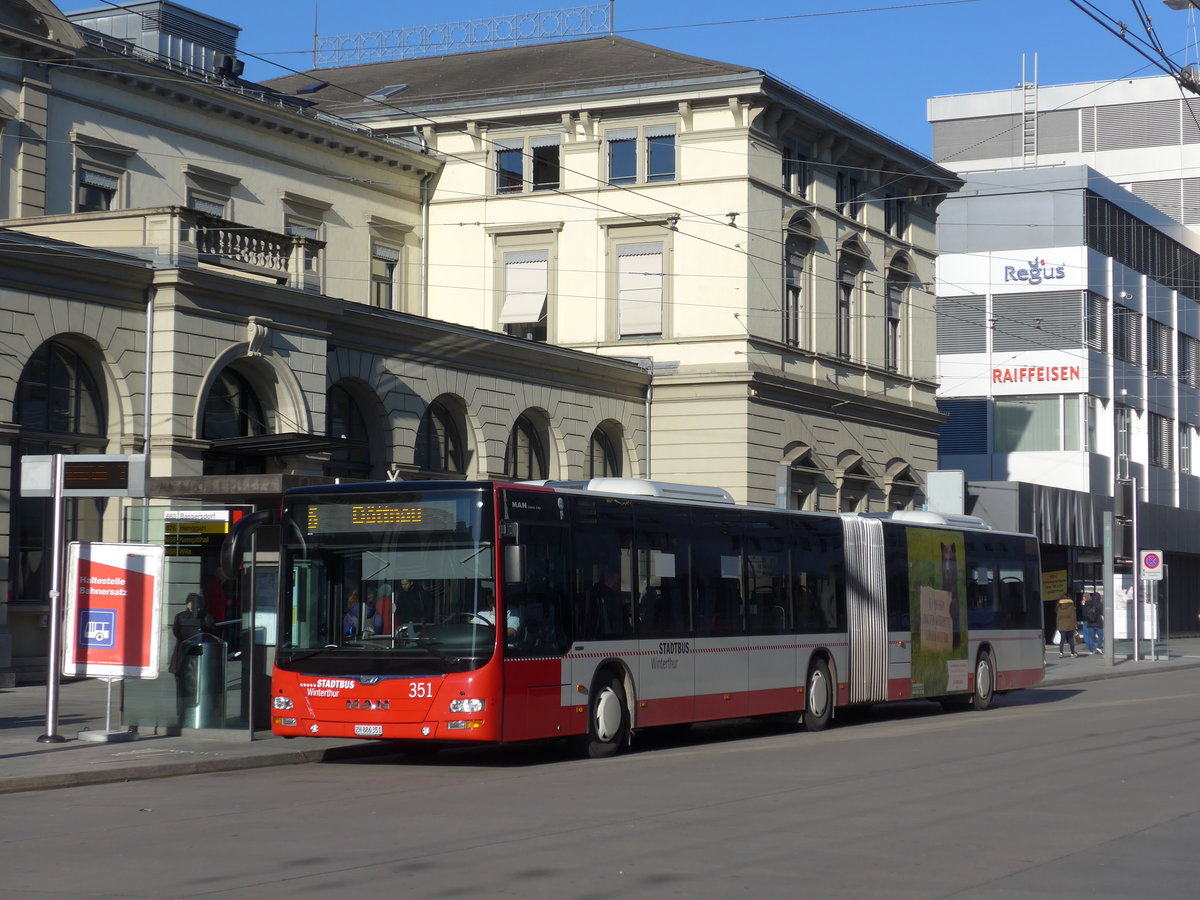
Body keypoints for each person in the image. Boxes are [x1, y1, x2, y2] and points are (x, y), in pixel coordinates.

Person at [1056, 594, 1078, 658]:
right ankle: (1072, 653)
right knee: (1071, 640)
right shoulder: (1071, 607)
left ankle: (1061, 653)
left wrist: (1058, 626)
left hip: (1061, 626)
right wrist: (1075, 625)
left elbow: (1058, 618)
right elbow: (1074, 617)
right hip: (1070, 626)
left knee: (1062, 640)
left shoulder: (1059, 608)